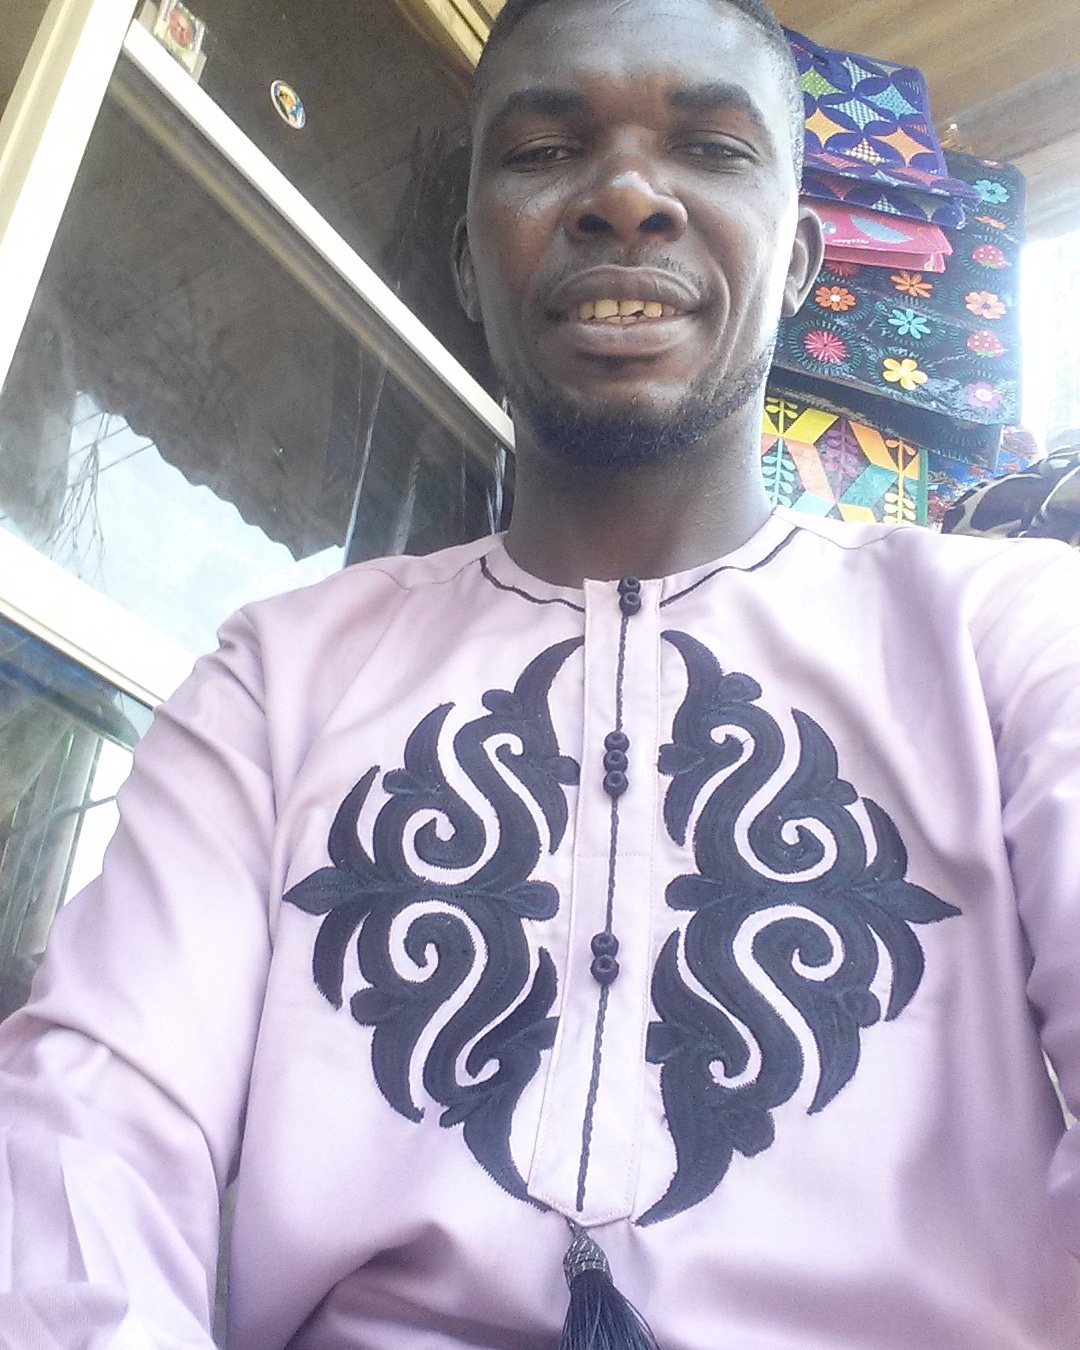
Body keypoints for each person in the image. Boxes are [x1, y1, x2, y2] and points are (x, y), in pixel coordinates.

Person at [3, 0, 1080, 1345]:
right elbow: (90, 1136)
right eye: (543, 151)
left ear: (799, 260)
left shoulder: (1007, 639)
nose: (628, 195)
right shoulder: (278, 686)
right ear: (468, 262)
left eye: (712, 148)